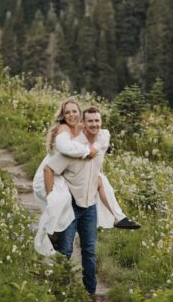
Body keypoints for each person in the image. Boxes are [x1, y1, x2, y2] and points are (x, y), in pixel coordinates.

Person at [44, 105, 139, 302]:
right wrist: (53, 200)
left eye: (97, 121)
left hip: (89, 206)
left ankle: (90, 294)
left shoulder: (101, 144)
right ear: (83, 124)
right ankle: (59, 293)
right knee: (66, 250)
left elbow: (98, 176)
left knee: (89, 250)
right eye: (90, 121)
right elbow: (49, 169)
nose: (94, 124)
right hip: (70, 205)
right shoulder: (73, 147)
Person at [32, 99, 139, 257]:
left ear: (80, 113)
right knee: (62, 201)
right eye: (67, 112)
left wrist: (95, 151)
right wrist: (88, 151)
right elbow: (64, 148)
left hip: (64, 171)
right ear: (63, 115)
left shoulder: (81, 126)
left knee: (101, 181)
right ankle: (51, 232)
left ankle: (118, 217)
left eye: (74, 111)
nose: (71, 115)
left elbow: (102, 134)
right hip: (50, 175)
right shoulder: (63, 129)